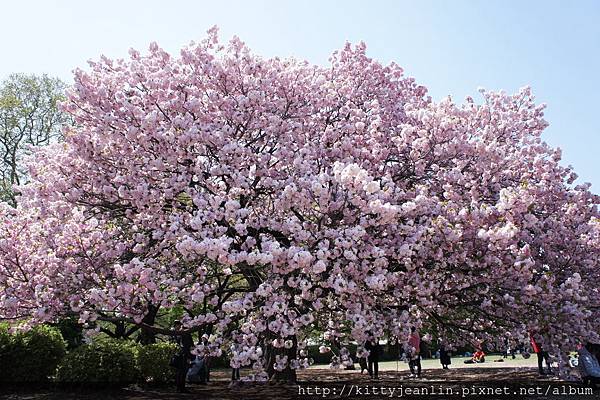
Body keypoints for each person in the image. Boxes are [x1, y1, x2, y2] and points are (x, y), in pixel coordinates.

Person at [172, 320, 194, 393]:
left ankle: (179, 387)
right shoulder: (184, 333)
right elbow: (188, 345)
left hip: (179, 354)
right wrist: (188, 357)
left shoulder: (177, 333)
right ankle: (181, 387)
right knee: (182, 371)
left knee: (180, 371)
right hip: (183, 355)